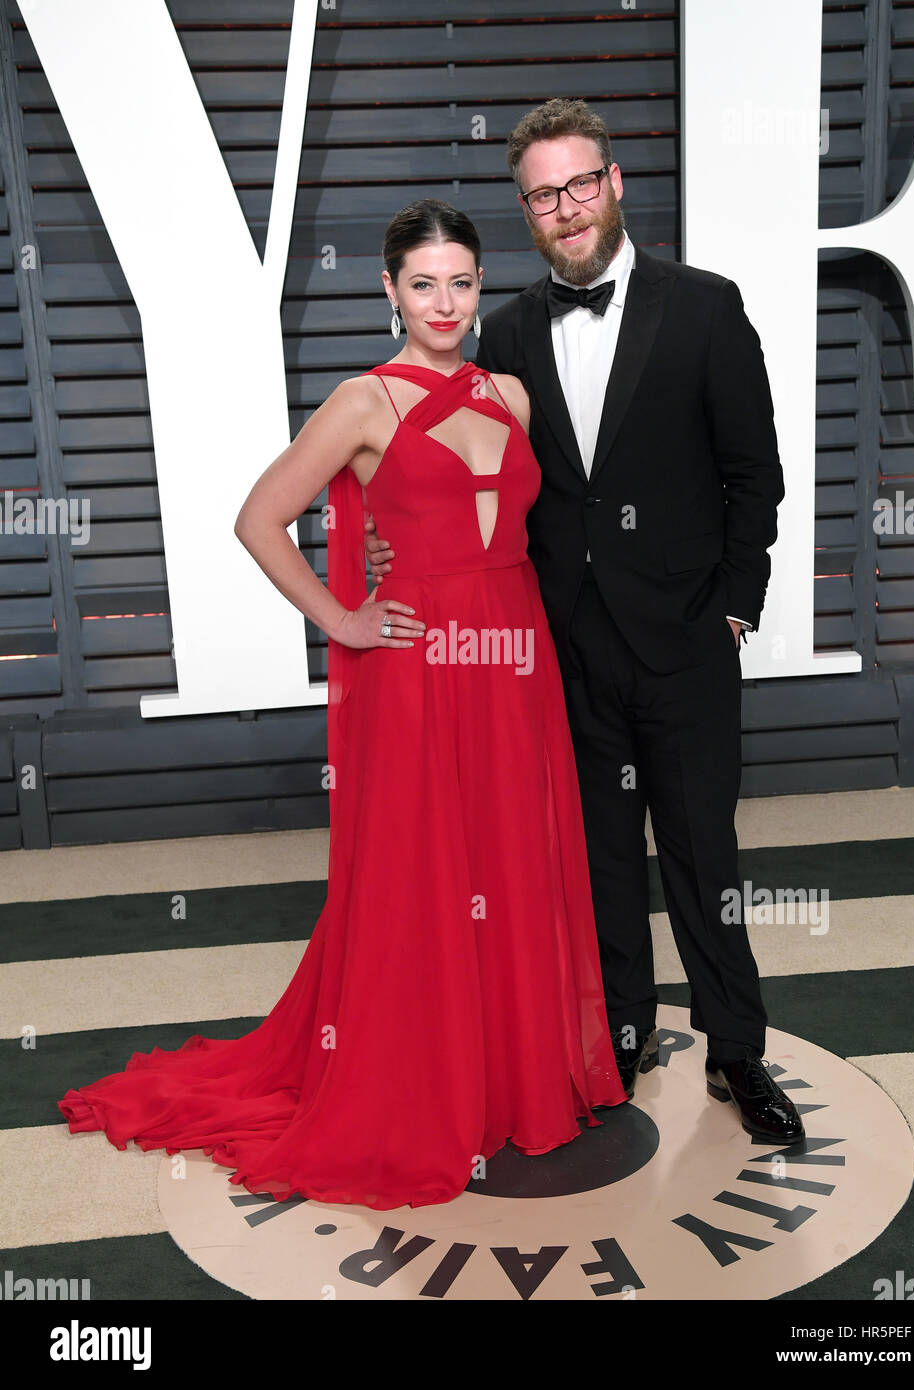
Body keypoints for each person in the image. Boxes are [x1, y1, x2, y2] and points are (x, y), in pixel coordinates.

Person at [55, 198, 629, 1212]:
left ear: (478, 283)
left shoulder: (510, 392)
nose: (444, 302)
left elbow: (491, 528)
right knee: (424, 865)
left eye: (460, 281)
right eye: (423, 284)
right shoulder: (364, 400)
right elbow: (260, 517)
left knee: (512, 855)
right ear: (388, 289)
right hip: (417, 666)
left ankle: (513, 1076)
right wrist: (346, 619)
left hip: (512, 655)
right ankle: (427, 1079)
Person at [365, 99, 804, 1144]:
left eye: (578, 184)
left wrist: (735, 609)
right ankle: (615, 1031)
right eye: (541, 195)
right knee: (597, 855)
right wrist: (387, 552)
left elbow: (757, 476)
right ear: (526, 211)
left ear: (611, 185)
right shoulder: (506, 328)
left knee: (704, 854)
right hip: (566, 648)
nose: (563, 208)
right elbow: (463, 483)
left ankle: (736, 1050)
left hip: (690, 639)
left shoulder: (704, 306)